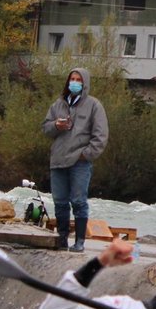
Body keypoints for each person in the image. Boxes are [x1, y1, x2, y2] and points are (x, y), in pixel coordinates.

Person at [41, 68, 109, 252]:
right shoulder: (58, 104)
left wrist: (85, 155)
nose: (75, 82)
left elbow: (101, 136)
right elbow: (45, 128)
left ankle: (79, 241)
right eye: (72, 79)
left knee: (78, 201)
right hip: (58, 160)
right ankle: (62, 239)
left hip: (79, 161)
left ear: (84, 82)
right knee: (60, 202)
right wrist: (56, 125)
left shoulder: (94, 105)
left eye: (78, 79)